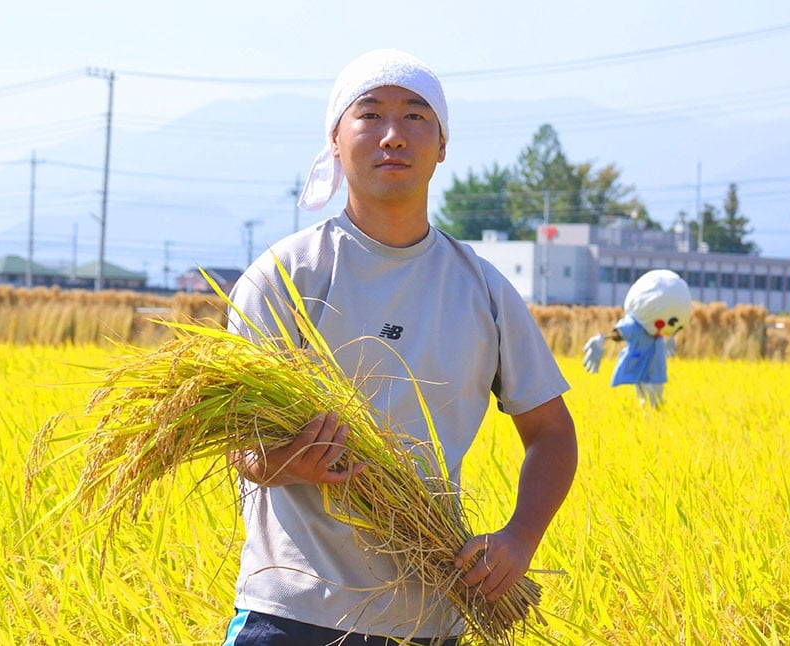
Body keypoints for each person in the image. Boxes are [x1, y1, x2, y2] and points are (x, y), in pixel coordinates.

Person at [221, 49, 577, 645]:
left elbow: (552, 433)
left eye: (415, 116)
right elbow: (241, 444)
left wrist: (519, 538)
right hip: (292, 612)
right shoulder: (286, 276)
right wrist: (288, 463)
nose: (393, 135)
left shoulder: (483, 290)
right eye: (369, 115)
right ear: (335, 140)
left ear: (442, 145)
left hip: (427, 618)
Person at [581, 269, 692, 408]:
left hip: (657, 372)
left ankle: (654, 411)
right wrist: (601, 339)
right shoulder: (636, 327)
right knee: (644, 395)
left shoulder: (659, 335)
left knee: (656, 396)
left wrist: (670, 338)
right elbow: (618, 333)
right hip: (639, 368)